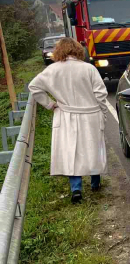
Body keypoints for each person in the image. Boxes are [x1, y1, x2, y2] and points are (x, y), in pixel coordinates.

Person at [28, 38, 109, 203]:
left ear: (59, 51)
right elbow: (101, 94)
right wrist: (103, 112)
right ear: (78, 50)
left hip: (66, 115)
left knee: (71, 150)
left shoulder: (52, 70)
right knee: (92, 147)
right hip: (90, 114)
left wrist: (50, 104)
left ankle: (76, 189)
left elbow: (34, 87)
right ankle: (95, 183)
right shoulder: (89, 69)